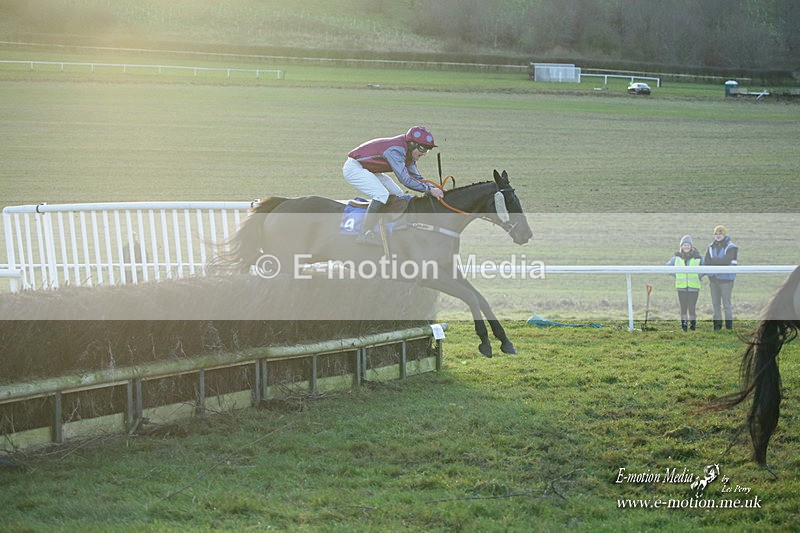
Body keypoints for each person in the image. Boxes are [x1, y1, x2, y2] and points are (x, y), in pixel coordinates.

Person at [343, 126, 444, 245]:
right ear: (411, 144)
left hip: (368, 169)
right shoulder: (395, 151)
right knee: (381, 194)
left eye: (426, 150)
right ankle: (364, 234)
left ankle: (383, 228)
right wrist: (429, 190)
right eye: (422, 149)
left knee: (398, 194)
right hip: (354, 167)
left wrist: (433, 188)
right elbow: (405, 179)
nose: (423, 153)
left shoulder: (409, 155)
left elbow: (417, 178)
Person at [704, 225, 739, 330]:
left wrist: (714, 261)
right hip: (714, 280)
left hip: (726, 280)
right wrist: (715, 262)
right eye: (716, 234)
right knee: (716, 305)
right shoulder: (711, 246)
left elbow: (726, 261)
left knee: (726, 305)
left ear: (724, 234)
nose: (718, 236)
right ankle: (717, 327)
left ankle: (729, 327)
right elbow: (707, 261)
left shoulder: (731, 247)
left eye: (720, 234)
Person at [666, 235, 703, 331]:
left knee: (691, 307)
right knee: (683, 307)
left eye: (688, 245)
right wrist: (676, 275)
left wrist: (699, 275)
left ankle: (693, 325)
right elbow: (667, 267)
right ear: (681, 246)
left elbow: (705, 268)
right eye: (684, 245)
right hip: (681, 286)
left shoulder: (698, 257)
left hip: (693, 287)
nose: (686, 247)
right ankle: (684, 326)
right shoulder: (676, 257)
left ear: (691, 246)